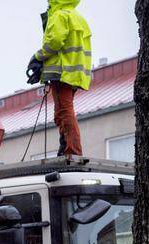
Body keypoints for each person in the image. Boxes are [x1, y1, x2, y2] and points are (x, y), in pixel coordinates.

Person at [26, 0, 92, 157]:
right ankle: (65, 147)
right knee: (61, 112)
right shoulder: (77, 16)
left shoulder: (58, 15)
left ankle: (72, 151)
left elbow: (54, 42)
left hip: (61, 71)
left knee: (64, 111)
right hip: (74, 72)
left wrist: (37, 57)